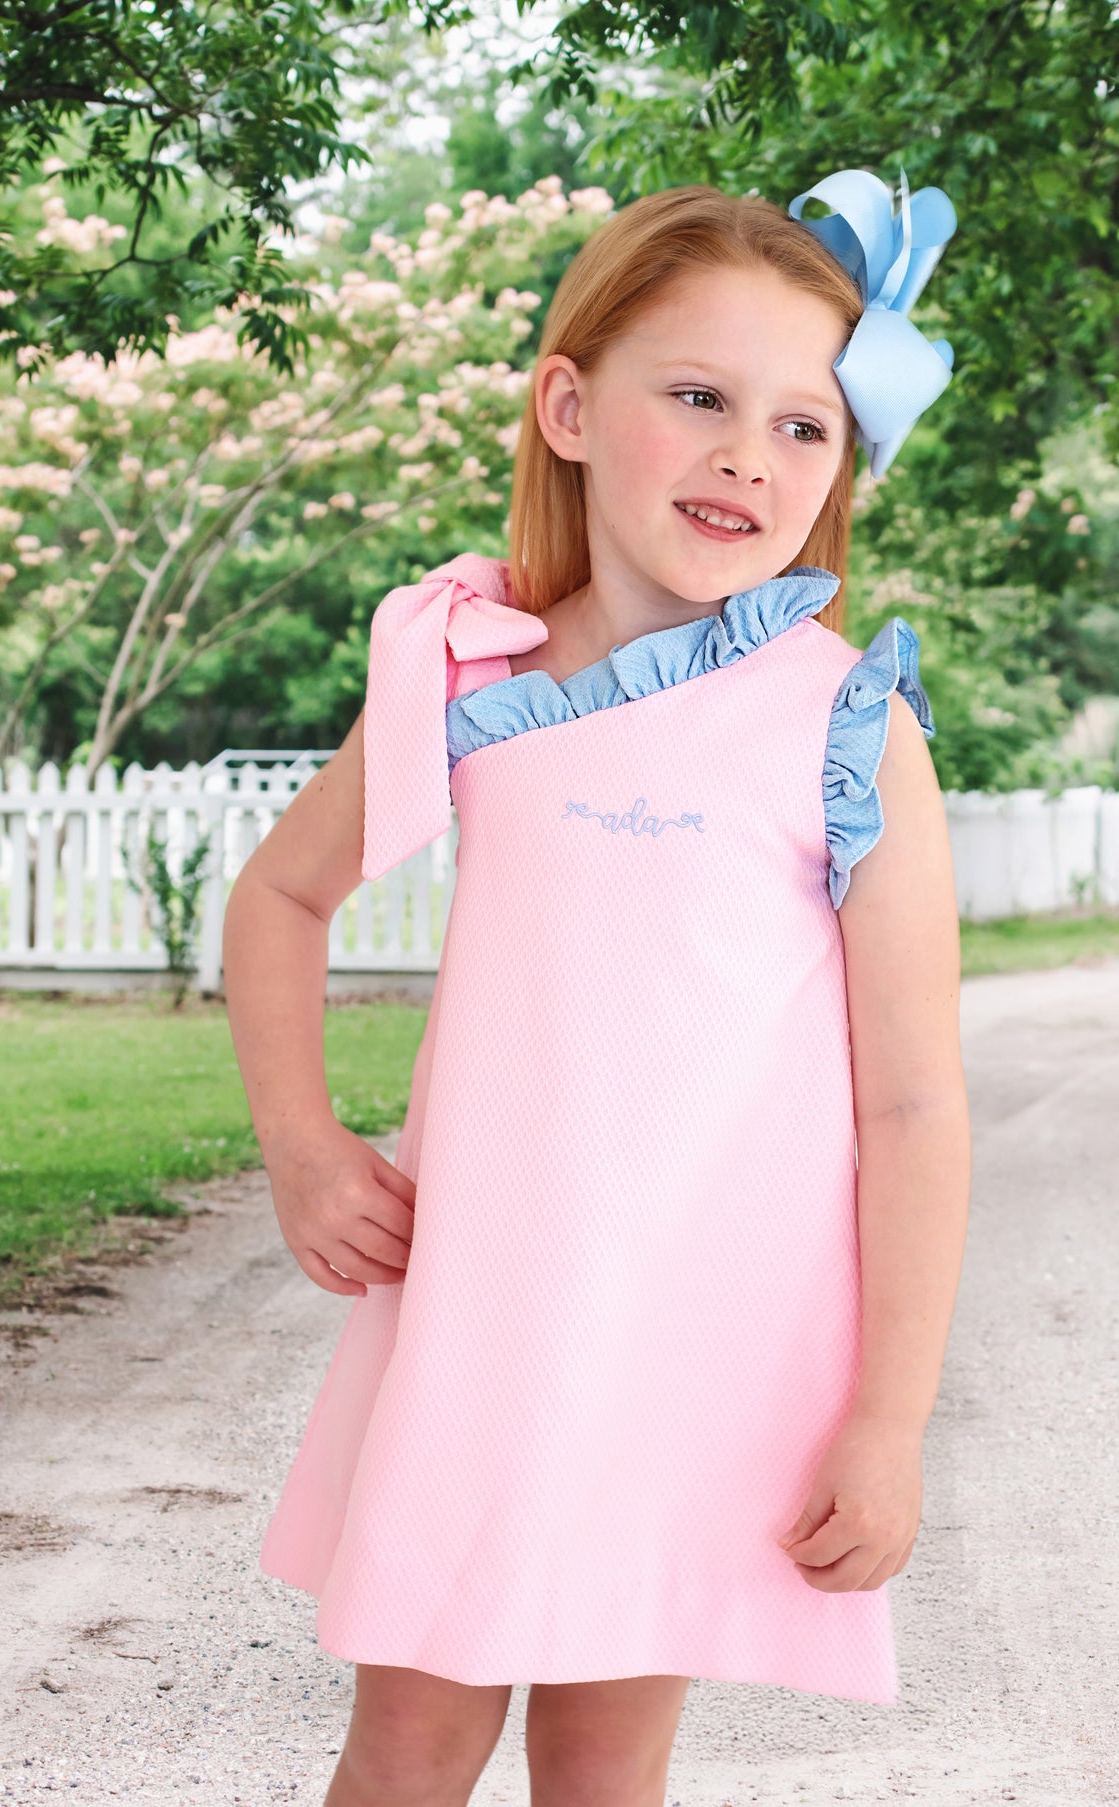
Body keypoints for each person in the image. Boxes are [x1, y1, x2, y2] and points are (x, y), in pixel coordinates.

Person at [223, 167, 972, 1807]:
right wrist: (303, 1142)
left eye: (801, 426)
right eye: (697, 396)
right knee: (411, 1743)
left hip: (691, 1346)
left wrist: (888, 1417)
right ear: (568, 404)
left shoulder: (849, 726)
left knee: (604, 1759)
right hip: (490, 1324)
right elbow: (280, 896)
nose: (744, 458)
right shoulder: (470, 674)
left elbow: (912, 1100)